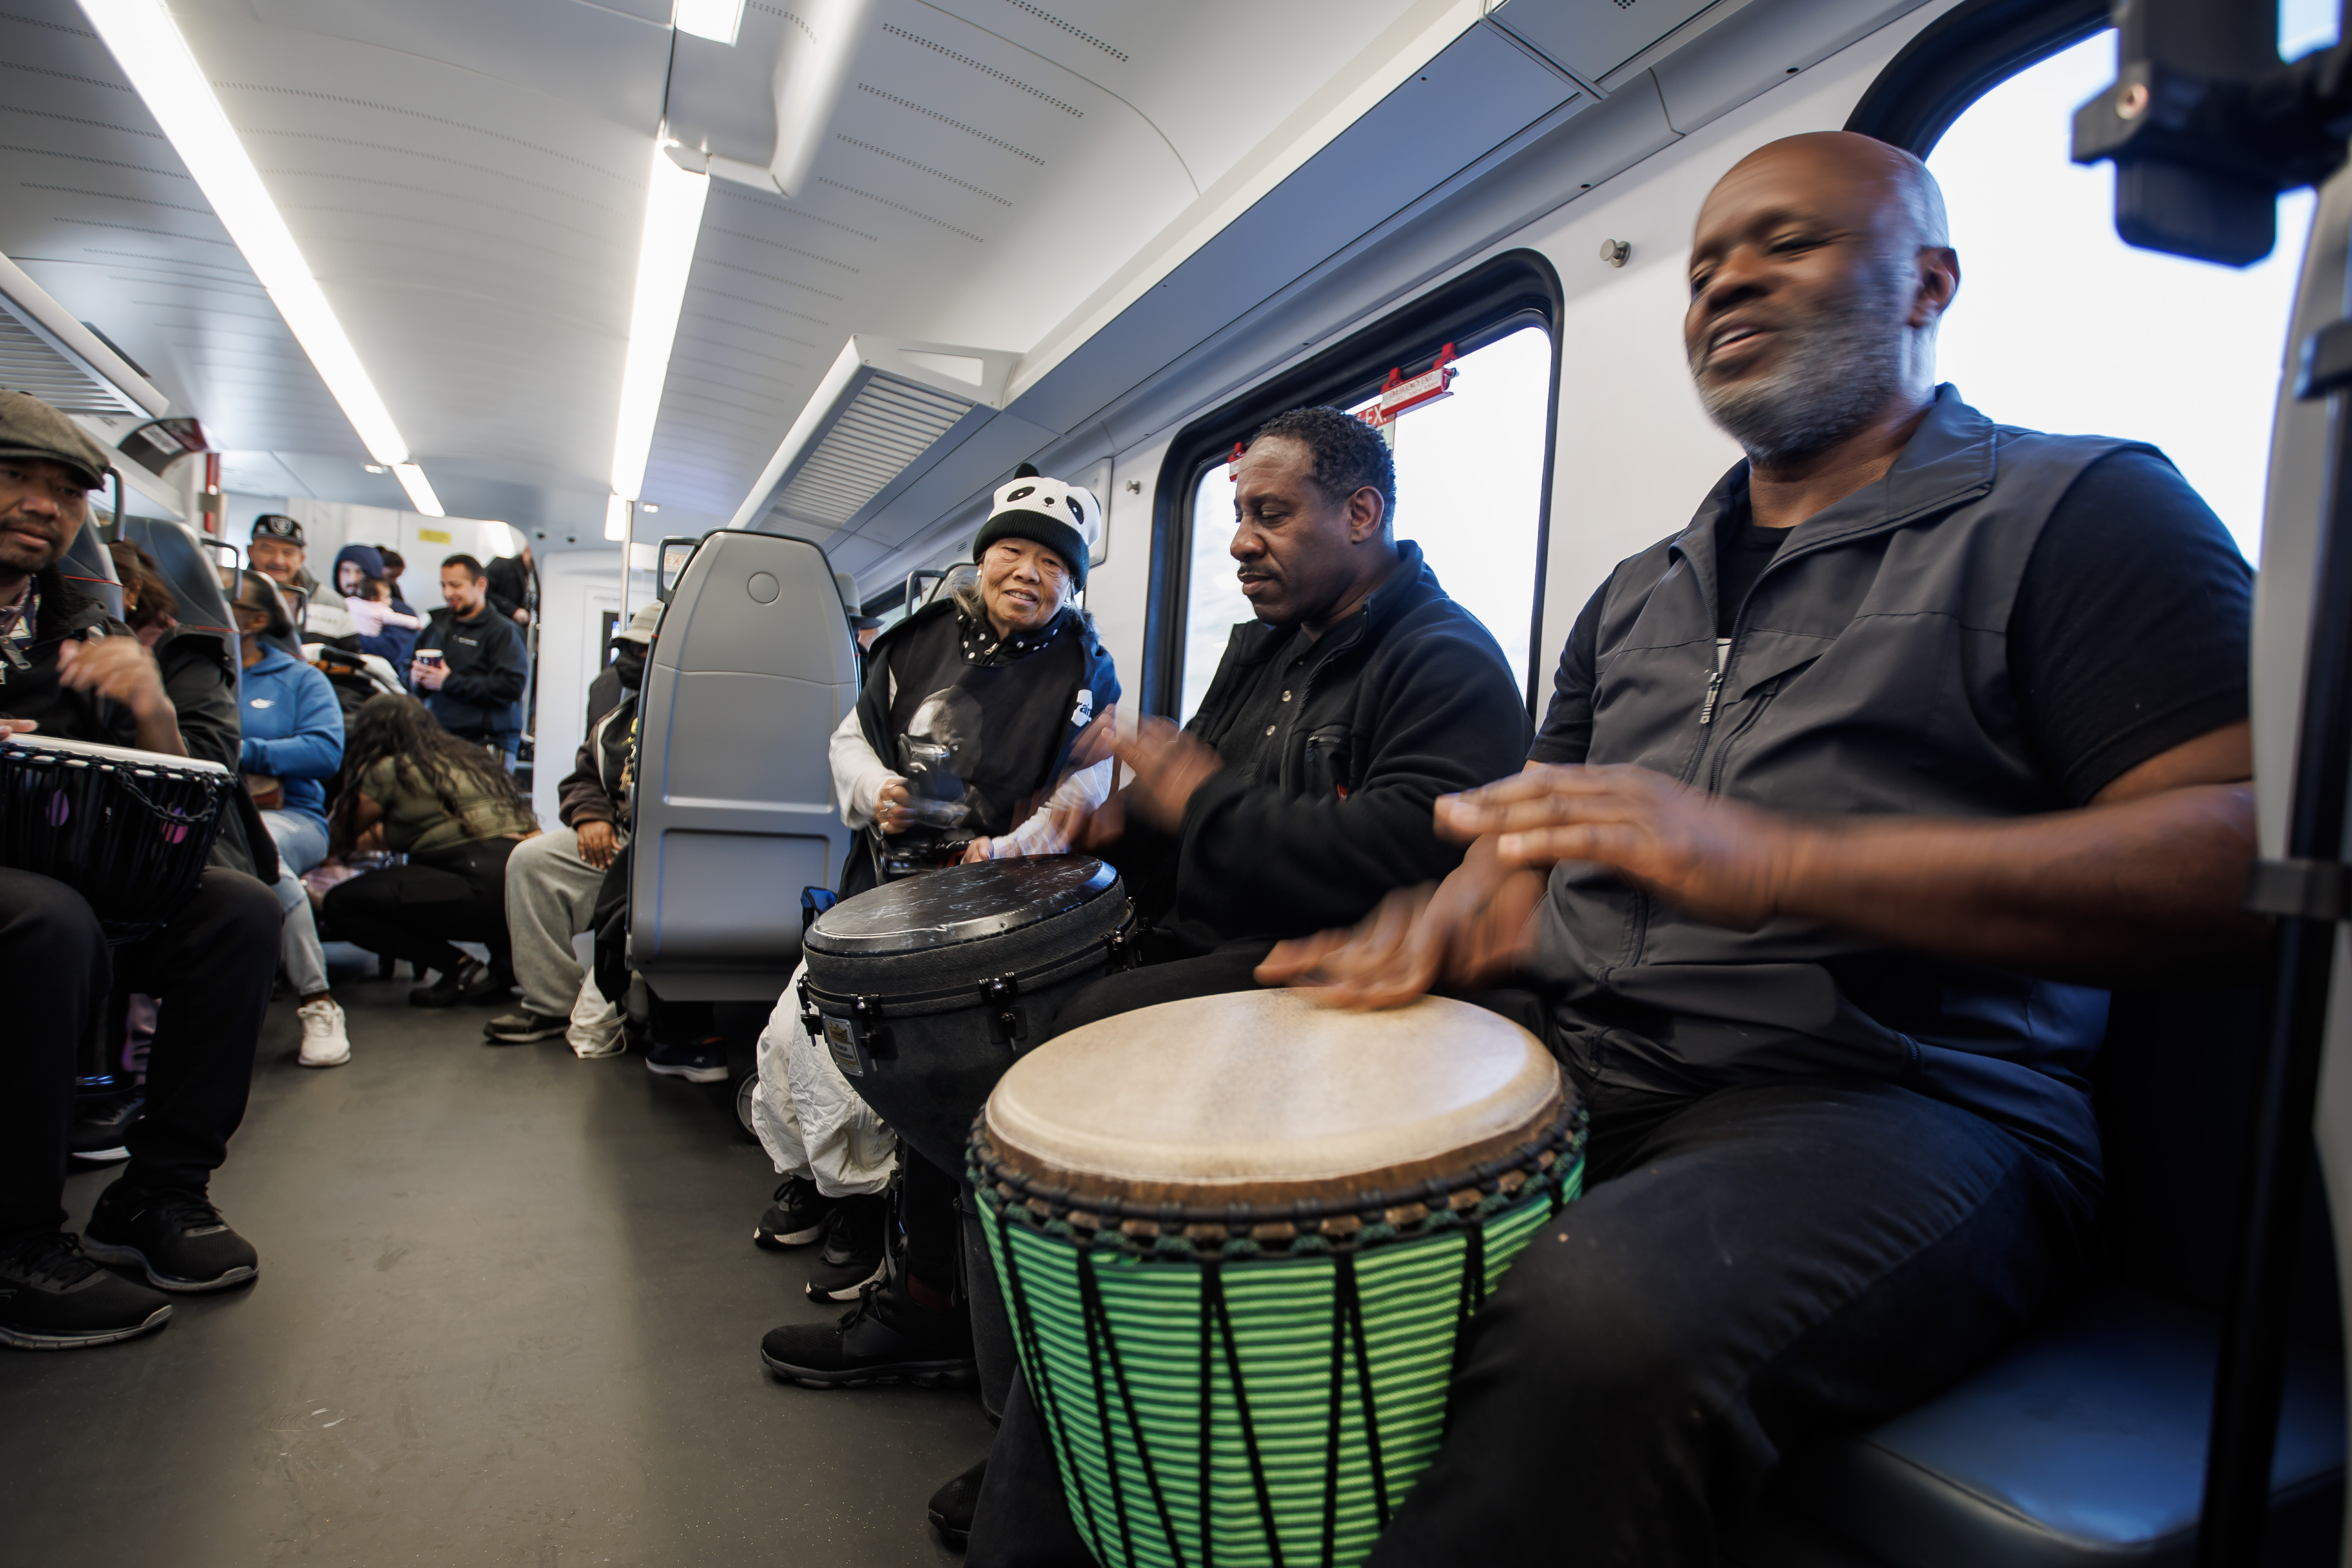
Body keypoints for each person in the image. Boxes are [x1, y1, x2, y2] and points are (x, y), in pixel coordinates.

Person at [967, 133, 2269, 1566]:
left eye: (1788, 242)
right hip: (1592, 1043)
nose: (1725, 284)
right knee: (1158, 1194)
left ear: (1928, 282)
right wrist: (1449, 928)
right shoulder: (1637, 593)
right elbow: (1518, 848)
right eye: (1704, 266)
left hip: (1903, 1096)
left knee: (1602, 1320)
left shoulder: (2082, 513)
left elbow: (2233, 854)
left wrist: (1774, 863)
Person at [755, 466, 1125, 1366]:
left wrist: (1018, 845)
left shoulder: (1087, 668)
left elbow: (1094, 778)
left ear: (1072, 582)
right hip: (884, 890)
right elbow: (852, 742)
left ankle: (889, 1250)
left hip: (993, 905)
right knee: (789, 1044)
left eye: (1050, 562)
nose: (1027, 574)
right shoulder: (911, 646)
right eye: (1012, 553)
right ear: (982, 559)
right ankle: (824, 1190)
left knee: (905, 1078)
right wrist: (876, 789)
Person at [0, 390, 281, 1348]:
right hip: (32, 891)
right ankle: (18, 1242)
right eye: (17, 480)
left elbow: (166, 801)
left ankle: (156, 1193)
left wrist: (151, 708)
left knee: (238, 912)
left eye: (64, 492)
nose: (43, 505)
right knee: (47, 920)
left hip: (65, 854)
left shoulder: (80, 623)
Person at [483, 601, 658, 1051]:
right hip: (617, 837)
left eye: (642, 653)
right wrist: (592, 815)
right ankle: (550, 1001)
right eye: (627, 651)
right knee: (532, 859)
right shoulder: (614, 722)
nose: (629, 664)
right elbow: (582, 778)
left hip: (665, 850)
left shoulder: (701, 718)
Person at [320, 693, 539, 1006]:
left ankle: (458, 967)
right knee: (464, 876)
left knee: (341, 904)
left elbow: (341, 834)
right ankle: (505, 965)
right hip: (518, 884)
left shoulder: (390, 769)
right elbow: (433, 828)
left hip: (472, 883)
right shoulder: (469, 759)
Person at [228, 569, 353, 1067]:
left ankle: (317, 998)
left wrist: (241, 751)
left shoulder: (301, 678)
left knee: (263, 852)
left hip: (291, 815)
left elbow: (325, 752)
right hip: (208, 811)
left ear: (256, 620)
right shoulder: (192, 670)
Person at [412, 554, 527, 761]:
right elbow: (407, 665)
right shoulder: (437, 626)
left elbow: (510, 686)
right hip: (438, 736)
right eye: (444, 585)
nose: (448, 593)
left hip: (485, 743)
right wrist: (414, 678)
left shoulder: (503, 632)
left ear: (480, 585)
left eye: (456, 585)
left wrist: (448, 681)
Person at [247, 514, 358, 648]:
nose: (278, 560)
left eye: (288, 553)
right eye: (268, 550)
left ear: (301, 559)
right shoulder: (231, 596)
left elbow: (350, 662)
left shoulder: (333, 604)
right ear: (251, 552)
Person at [331, 543, 422, 669]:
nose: (353, 580)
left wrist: (338, 638)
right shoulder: (332, 605)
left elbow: (392, 651)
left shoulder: (397, 610)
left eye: (361, 572)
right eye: (345, 571)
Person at [484, 544, 536, 628]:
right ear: (529, 550)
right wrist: (513, 610)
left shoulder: (534, 576)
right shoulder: (502, 566)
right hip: (499, 627)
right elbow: (485, 591)